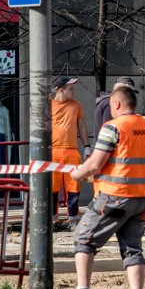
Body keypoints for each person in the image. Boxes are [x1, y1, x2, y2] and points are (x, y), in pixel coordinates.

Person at [69, 85, 145, 289]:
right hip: (142, 199)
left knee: (83, 239)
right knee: (132, 249)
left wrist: (78, 174)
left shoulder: (113, 128)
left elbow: (95, 163)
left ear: (117, 104)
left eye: (111, 106)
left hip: (114, 197)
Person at [51, 76, 90, 228]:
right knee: (53, 186)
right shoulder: (48, 105)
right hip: (53, 151)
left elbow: (81, 125)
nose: (73, 91)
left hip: (72, 151)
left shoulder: (76, 105)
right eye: (70, 88)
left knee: (74, 186)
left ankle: (73, 218)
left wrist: (87, 146)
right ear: (61, 89)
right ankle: (53, 218)